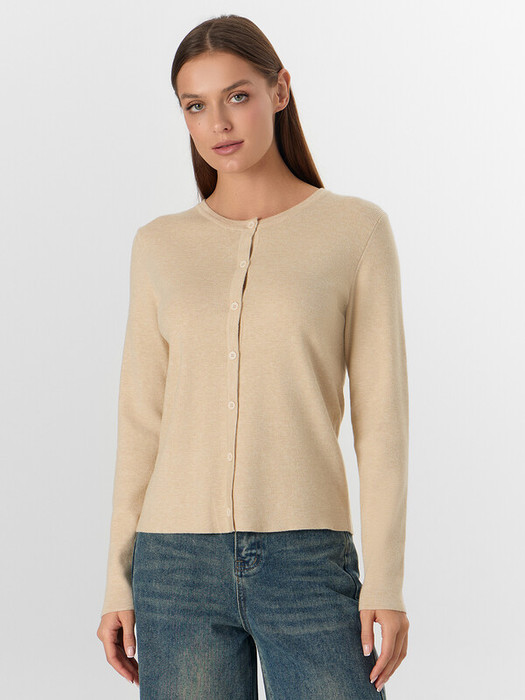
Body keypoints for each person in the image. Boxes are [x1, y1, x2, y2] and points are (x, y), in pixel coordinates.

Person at [97, 13, 410, 699]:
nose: (218, 122)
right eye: (195, 105)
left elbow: (382, 423)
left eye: (237, 95)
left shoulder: (355, 231)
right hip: (173, 567)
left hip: (307, 560)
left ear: (279, 90)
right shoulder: (159, 245)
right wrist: (118, 580)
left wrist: (385, 581)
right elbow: (140, 422)